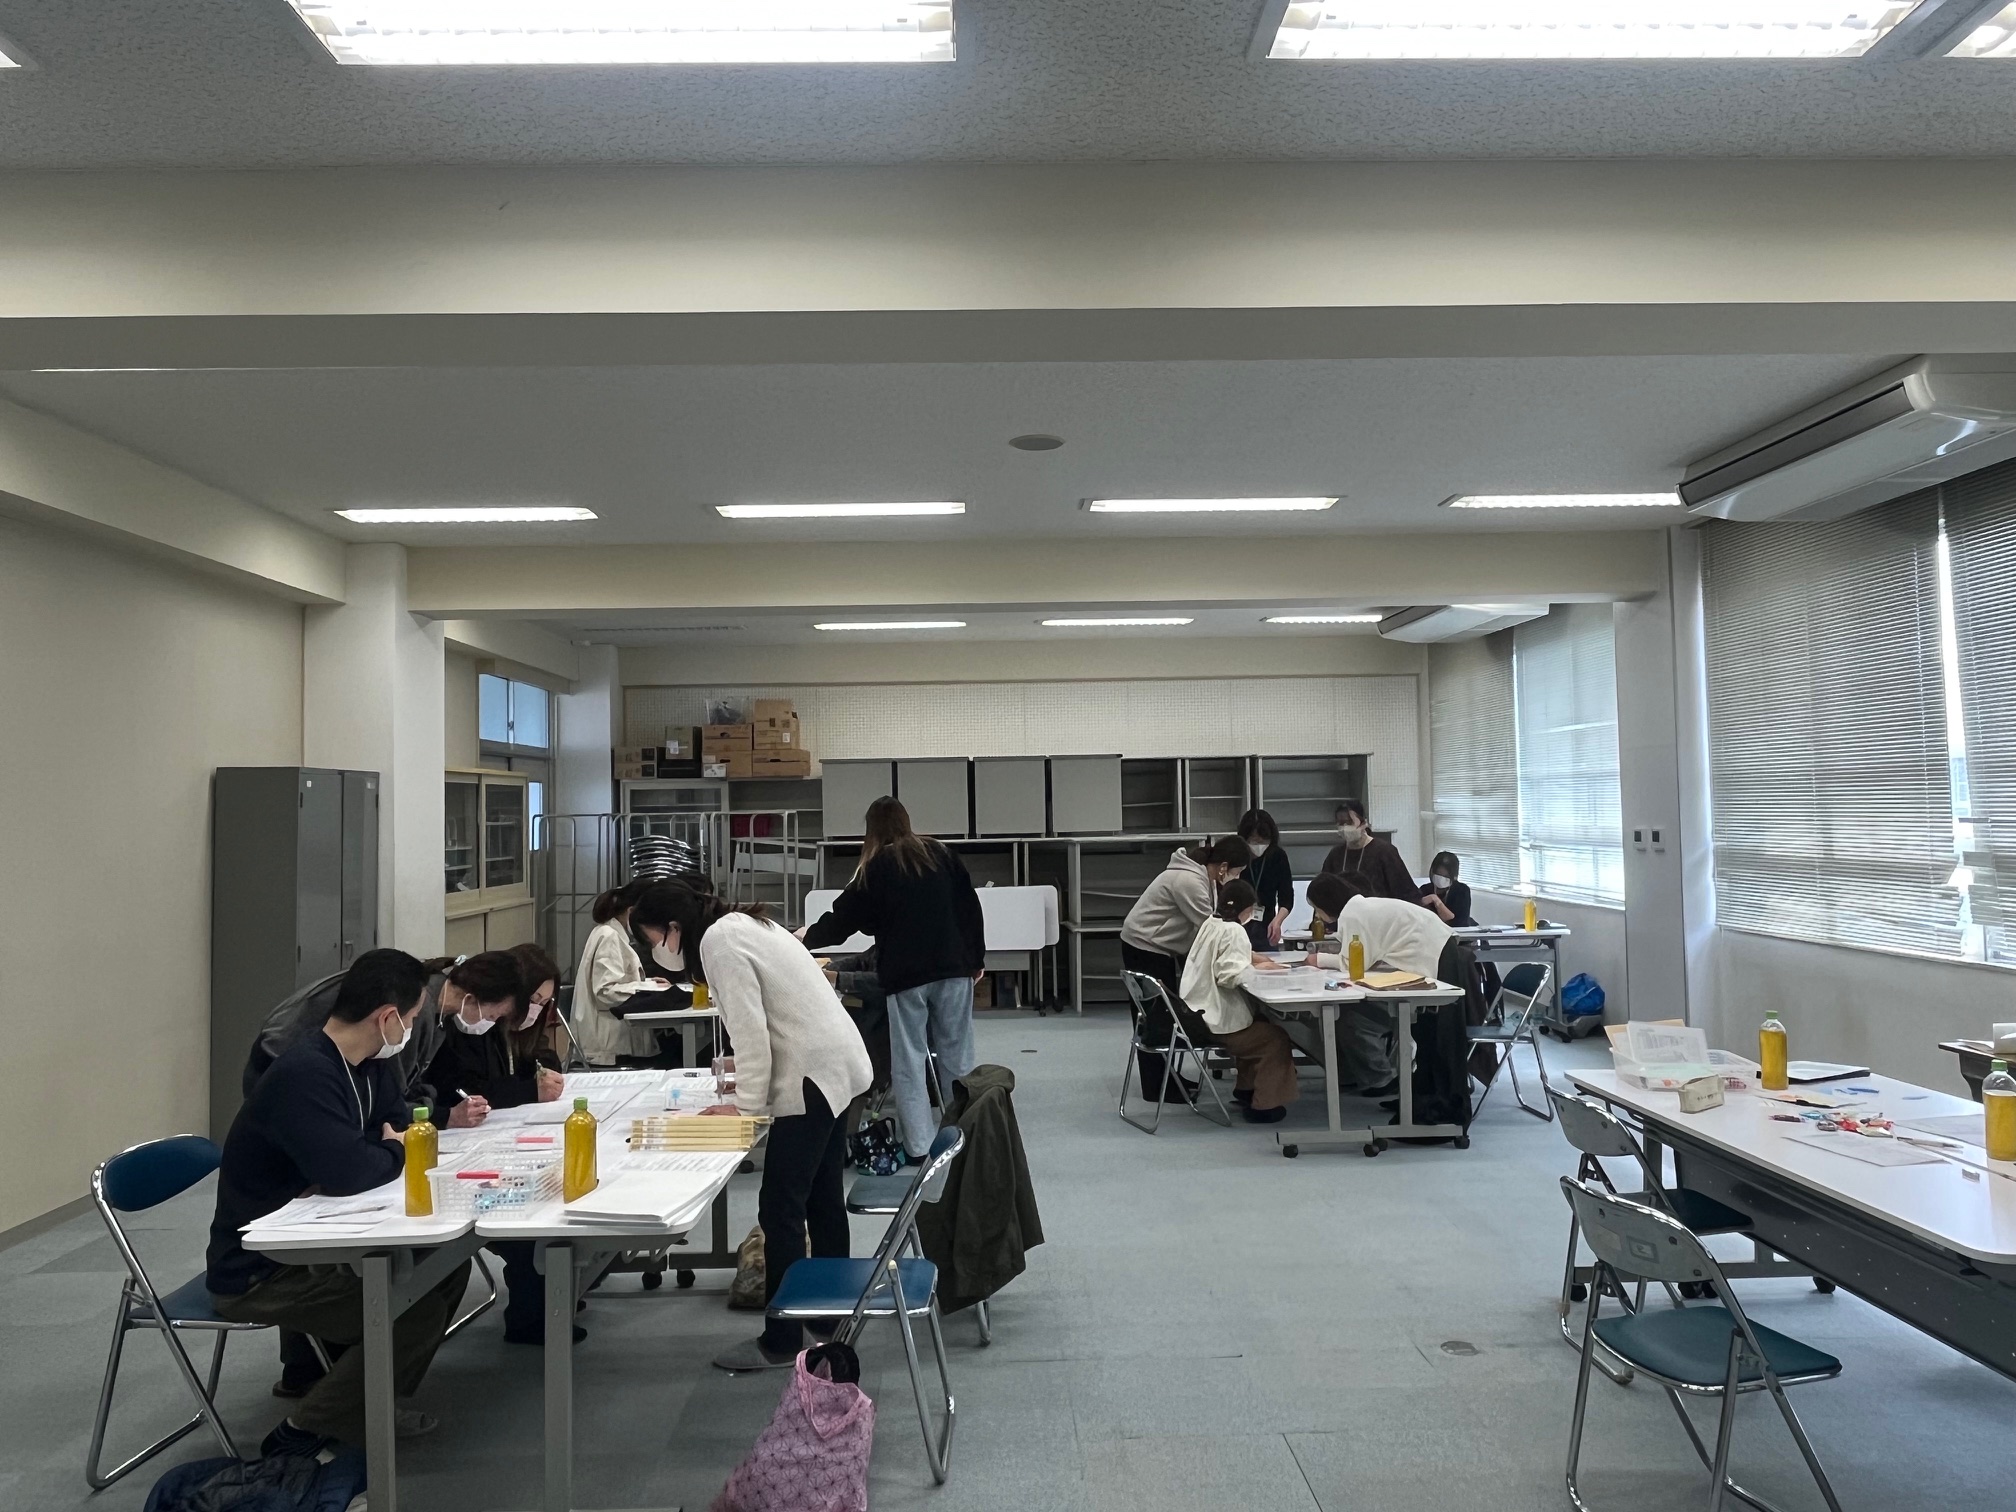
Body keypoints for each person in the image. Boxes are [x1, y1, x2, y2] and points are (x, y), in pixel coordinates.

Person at [206, 949, 472, 1454]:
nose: (413, 1030)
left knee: (446, 1262)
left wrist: (379, 1149)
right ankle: (305, 1432)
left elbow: (399, 1126)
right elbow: (350, 1171)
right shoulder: (305, 1073)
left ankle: (366, 1400)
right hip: (264, 1268)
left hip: (323, 1237)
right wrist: (389, 1150)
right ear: (387, 1018)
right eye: (413, 1018)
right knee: (415, 1314)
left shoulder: (369, 1065)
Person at [630, 883, 872, 1374]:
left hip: (811, 1076)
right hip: (835, 1064)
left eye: (652, 938)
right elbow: (778, 1017)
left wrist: (743, 1109)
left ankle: (782, 1339)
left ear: (673, 928)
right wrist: (745, 1083)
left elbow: (752, 1034)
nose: (654, 949)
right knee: (821, 1197)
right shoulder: (745, 924)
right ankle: (827, 1317)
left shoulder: (718, 942)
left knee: (780, 1207)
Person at [800, 797, 986, 1161]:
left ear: (871, 830)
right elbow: (970, 908)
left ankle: (919, 1147)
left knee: (910, 1061)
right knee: (958, 1056)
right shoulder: (941, 854)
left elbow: (843, 921)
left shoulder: (877, 866)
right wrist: (976, 958)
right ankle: (966, 1139)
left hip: (907, 976)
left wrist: (803, 940)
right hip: (954, 967)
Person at [244, 950, 521, 1129]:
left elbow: (405, 1088)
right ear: (472, 998)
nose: (490, 1023)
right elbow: (391, 1102)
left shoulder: (436, 1006)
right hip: (278, 1065)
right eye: (493, 1015)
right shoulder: (417, 1007)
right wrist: (442, 1116)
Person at [1118, 835, 1253, 1100]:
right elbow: (1210, 931)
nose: (1236, 878)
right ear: (1224, 867)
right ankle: (1156, 1087)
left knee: (1160, 1015)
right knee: (1157, 1019)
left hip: (1157, 945)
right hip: (1146, 946)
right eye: (1237, 872)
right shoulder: (1189, 881)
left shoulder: (1203, 877)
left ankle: (1167, 1078)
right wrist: (1249, 955)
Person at [1305, 871, 1454, 1096]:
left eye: (1317, 908)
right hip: (1438, 955)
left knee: (1350, 1018)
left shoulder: (1353, 914)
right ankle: (1364, 1076)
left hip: (1431, 968)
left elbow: (1353, 963)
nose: (1317, 914)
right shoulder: (1361, 907)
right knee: (1349, 1014)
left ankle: (1380, 1080)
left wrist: (1318, 959)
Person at [1178, 882, 1298, 1124]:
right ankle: (1265, 1106)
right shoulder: (1235, 931)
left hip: (1194, 1014)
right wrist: (1261, 970)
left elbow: (1223, 954)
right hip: (1214, 1023)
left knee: (1258, 1021)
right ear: (1249, 908)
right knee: (1274, 1039)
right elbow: (1229, 975)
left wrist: (1253, 958)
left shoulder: (1212, 923)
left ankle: (1246, 1089)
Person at [569, 880, 673, 1067]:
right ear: (631, 912)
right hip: (609, 1048)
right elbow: (605, 991)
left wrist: (648, 982)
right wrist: (648, 987)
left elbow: (614, 979)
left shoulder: (610, 934)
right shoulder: (609, 936)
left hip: (613, 1042)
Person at [1317, 800, 1420, 902]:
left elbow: (1405, 890)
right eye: (1340, 823)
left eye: (1349, 822)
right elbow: (1323, 891)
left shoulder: (1384, 851)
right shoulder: (1335, 855)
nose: (1344, 828)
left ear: (1363, 823)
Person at [1237, 808, 1294, 949]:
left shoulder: (1277, 856)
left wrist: (1278, 921)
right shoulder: (1237, 857)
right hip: (1238, 924)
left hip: (1267, 925)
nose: (1259, 845)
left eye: (1264, 841)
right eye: (1254, 840)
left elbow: (1286, 897)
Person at [1420, 851, 1475, 927]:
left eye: (1446, 876)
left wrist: (1436, 901)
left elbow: (1460, 923)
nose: (1441, 879)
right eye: (1438, 874)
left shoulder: (1462, 891)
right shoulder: (1425, 889)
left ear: (1454, 876)